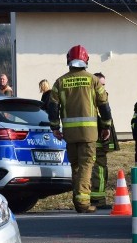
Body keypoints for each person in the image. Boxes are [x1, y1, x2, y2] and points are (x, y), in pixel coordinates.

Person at [47, 45, 113, 213]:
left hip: (69, 133)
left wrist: (55, 127)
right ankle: (83, 203)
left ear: (69, 60)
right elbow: (104, 106)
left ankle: (78, 201)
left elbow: (52, 107)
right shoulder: (93, 80)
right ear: (86, 60)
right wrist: (106, 126)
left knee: (75, 166)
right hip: (89, 133)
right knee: (86, 165)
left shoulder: (60, 82)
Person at [90, 72, 119, 208]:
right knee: (99, 170)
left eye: (104, 85)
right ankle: (98, 201)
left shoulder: (98, 96)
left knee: (100, 170)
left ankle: (96, 199)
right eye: (101, 84)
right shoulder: (94, 98)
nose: (103, 87)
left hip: (100, 138)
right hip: (97, 139)